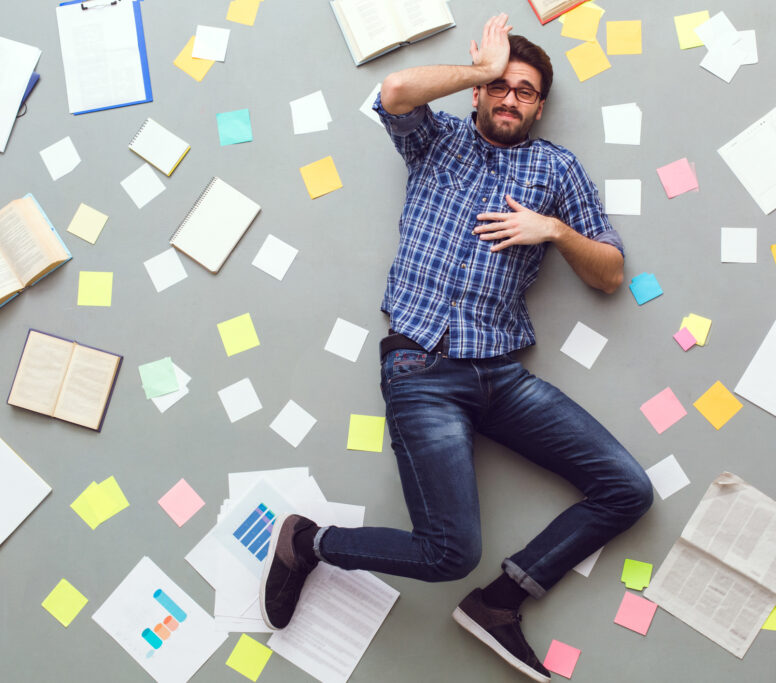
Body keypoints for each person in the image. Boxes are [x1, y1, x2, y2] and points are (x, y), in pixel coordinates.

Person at [259, 14, 652, 681]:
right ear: (477, 94)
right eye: (499, 85)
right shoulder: (434, 140)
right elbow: (393, 91)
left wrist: (552, 228)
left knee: (629, 488)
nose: (509, 97)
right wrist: (477, 67)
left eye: (524, 90)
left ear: (539, 105)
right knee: (450, 551)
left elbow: (610, 271)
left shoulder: (555, 167)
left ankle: (501, 603)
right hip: (423, 369)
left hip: (502, 373)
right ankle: (308, 541)